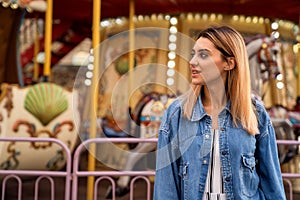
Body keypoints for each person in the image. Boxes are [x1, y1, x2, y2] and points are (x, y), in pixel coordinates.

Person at [153, 25, 286, 199]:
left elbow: (272, 184)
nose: (192, 62)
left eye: (203, 55)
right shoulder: (176, 114)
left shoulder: (256, 114)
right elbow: (165, 187)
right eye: (194, 54)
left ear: (229, 63)